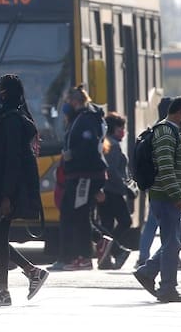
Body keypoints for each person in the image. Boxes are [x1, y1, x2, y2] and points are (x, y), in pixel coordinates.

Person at [0, 74, 49, 307]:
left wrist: (6, 197)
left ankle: (5, 290)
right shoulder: (11, 118)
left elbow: (12, 162)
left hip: (6, 190)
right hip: (2, 188)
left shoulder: (12, 121)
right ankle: (29, 273)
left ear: (7, 93)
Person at [133, 96, 181, 303]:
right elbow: (165, 167)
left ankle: (148, 271)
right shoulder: (165, 133)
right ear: (180, 112)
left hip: (173, 197)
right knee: (171, 243)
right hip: (167, 197)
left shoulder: (174, 131)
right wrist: (176, 195)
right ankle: (167, 288)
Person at [57, 85, 108, 271]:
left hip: (85, 175)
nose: (65, 106)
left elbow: (88, 146)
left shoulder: (85, 119)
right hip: (79, 175)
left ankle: (84, 257)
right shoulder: (78, 119)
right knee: (71, 212)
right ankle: (81, 252)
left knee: (79, 214)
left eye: (67, 101)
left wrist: (72, 155)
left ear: (75, 101)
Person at [95, 111, 133, 270]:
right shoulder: (113, 145)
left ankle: (106, 256)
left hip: (105, 190)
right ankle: (114, 249)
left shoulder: (106, 142)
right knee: (125, 221)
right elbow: (112, 171)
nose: (123, 132)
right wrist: (125, 188)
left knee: (107, 224)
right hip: (113, 191)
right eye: (120, 128)